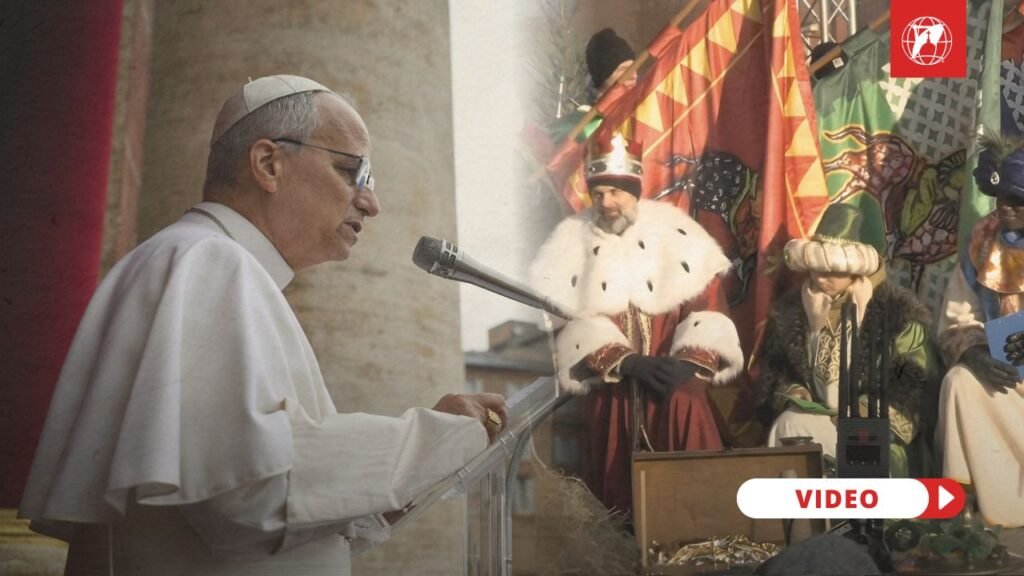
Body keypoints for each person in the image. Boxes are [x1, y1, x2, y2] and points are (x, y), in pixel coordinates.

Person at [18, 75, 508, 575]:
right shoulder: (209, 261)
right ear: (269, 164)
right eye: (351, 171)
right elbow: (247, 491)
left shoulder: (198, 259)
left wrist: (393, 487)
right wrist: (436, 438)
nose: (370, 202)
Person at [529, 131, 743, 515]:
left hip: (674, 376)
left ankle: (704, 522)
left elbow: (708, 304)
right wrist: (625, 362)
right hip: (615, 382)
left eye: (616, 192)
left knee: (685, 405)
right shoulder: (570, 244)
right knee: (619, 469)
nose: (606, 202)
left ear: (634, 192)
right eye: (598, 194)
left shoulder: (678, 235)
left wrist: (688, 361)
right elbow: (566, 318)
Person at [757, 203, 940, 478]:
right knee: (789, 424)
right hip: (818, 418)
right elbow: (777, 371)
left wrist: (865, 410)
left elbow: (918, 386)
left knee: (859, 444)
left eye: (832, 270)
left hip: (876, 430)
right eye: (816, 268)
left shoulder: (897, 317)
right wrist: (793, 392)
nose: (821, 278)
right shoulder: (791, 312)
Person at [936, 136, 1024, 528]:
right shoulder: (982, 245)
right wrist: (974, 352)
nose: (1005, 207)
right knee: (959, 382)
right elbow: (958, 316)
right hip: (1006, 375)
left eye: (1017, 199)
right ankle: (963, 505)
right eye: (1001, 197)